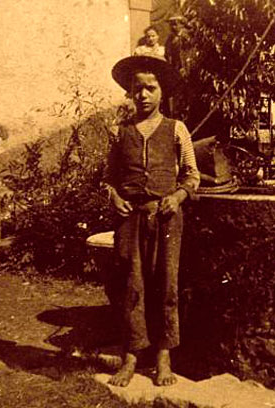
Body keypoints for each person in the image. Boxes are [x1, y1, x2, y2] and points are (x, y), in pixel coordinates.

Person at [103, 55, 200, 387]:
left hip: (166, 217)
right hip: (130, 219)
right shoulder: (120, 133)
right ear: (130, 93)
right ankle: (131, 356)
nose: (143, 95)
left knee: (166, 284)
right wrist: (114, 198)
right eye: (137, 89)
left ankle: (163, 356)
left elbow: (192, 176)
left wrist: (176, 197)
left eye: (150, 88)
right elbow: (108, 178)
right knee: (131, 285)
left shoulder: (177, 129)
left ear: (162, 92)